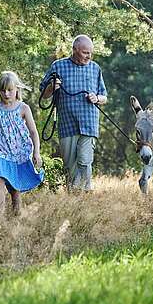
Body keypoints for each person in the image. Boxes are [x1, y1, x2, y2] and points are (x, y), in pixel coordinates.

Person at [39, 35, 107, 191]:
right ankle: (73, 197)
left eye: (90, 53)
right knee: (70, 166)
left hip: (89, 124)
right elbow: (43, 94)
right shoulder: (58, 66)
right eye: (85, 52)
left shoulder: (95, 68)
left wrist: (96, 98)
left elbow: (104, 97)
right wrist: (52, 86)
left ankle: (85, 193)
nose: (88, 56)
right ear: (75, 50)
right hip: (67, 125)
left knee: (85, 160)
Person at [0, 71, 44, 215]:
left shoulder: (23, 108)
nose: (6, 94)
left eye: (9, 90)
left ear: (16, 89)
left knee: (14, 189)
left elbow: (33, 132)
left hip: (19, 152)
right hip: (1, 150)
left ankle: (16, 218)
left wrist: (36, 152)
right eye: (3, 90)